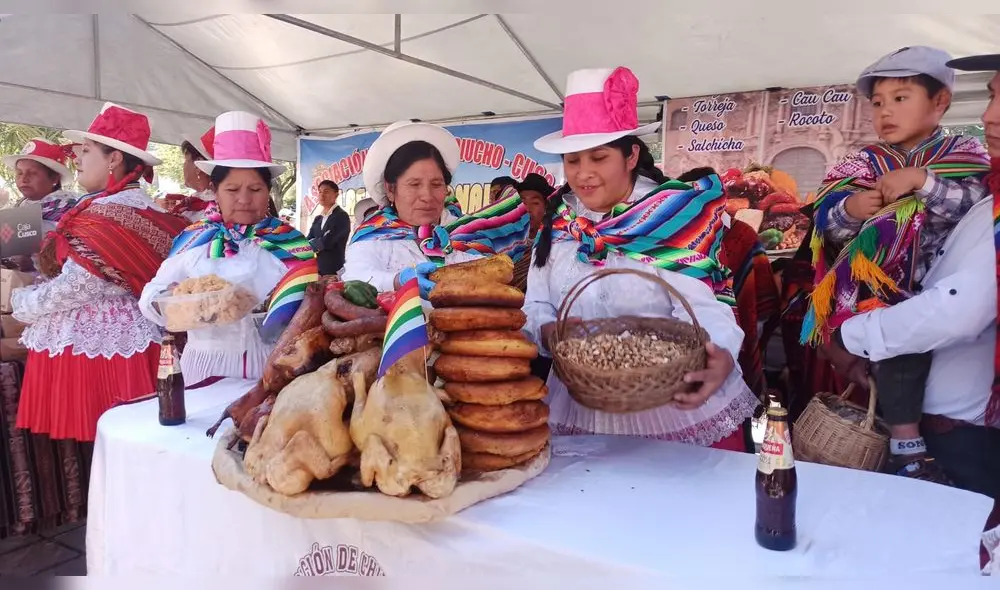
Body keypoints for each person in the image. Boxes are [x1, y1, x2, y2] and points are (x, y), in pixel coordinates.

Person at [525, 67, 757, 450]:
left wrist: (718, 354)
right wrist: (549, 331)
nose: (583, 174)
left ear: (631, 155)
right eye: (572, 161)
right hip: (581, 402)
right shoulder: (559, 223)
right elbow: (535, 303)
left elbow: (702, 308)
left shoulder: (670, 215)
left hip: (670, 403)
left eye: (598, 158)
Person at [804, 46, 991, 482]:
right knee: (889, 351)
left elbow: (974, 205)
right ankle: (901, 441)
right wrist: (850, 208)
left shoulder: (963, 154)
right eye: (877, 102)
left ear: (940, 102)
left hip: (928, 290)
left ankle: (905, 441)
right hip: (875, 288)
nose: (885, 111)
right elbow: (826, 226)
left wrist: (922, 183)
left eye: (901, 98)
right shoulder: (860, 162)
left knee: (907, 343)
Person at [11, 103, 188, 443]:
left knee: (110, 445)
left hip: (98, 351)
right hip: (133, 340)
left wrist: (24, 302)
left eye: (87, 150)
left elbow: (82, 283)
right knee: (134, 444)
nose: (77, 158)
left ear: (114, 159)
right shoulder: (145, 208)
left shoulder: (107, 212)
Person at [140, 111, 315, 385]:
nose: (244, 199)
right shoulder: (195, 240)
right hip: (204, 364)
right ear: (215, 189)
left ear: (267, 191)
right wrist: (179, 299)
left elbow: (311, 307)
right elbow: (150, 295)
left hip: (271, 364)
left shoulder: (291, 244)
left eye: (255, 190)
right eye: (232, 190)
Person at [343, 121, 529, 295]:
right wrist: (398, 280)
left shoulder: (467, 231)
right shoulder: (373, 237)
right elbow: (354, 278)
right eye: (414, 184)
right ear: (391, 189)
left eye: (436, 184)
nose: (427, 196)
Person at [2, 137, 78, 234]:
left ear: (54, 178)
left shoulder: (70, 210)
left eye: (33, 173)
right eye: (19, 173)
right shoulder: (16, 208)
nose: (24, 179)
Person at [163, 127, 217, 222]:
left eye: (186, 161)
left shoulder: (210, 211)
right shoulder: (196, 203)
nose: (183, 166)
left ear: (198, 166)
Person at [307, 180, 351, 276]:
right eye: (320, 192)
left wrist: (310, 244)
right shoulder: (318, 219)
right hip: (317, 271)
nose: (322, 195)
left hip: (334, 271)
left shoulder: (341, 216)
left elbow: (327, 241)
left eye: (326, 192)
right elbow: (308, 239)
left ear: (336, 194)